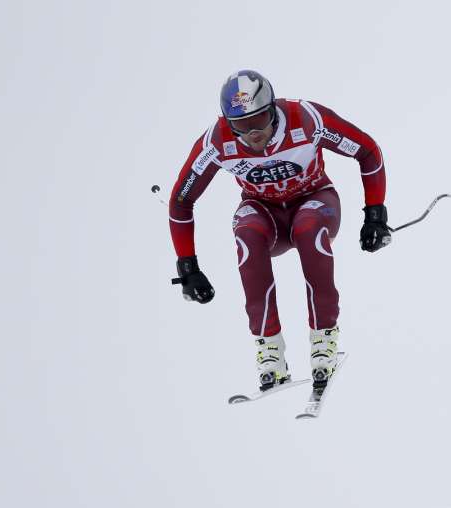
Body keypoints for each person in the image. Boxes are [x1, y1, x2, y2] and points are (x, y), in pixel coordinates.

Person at [166, 69, 392, 392]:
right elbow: (181, 200)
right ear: (228, 124)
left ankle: (323, 339)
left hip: (315, 201)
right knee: (245, 230)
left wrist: (375, 214)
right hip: (266, 215)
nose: (254, 133)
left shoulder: (306, 120)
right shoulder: (218, 142)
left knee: (308, 226)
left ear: (273, 108)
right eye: (242, 126)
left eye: (260, 120)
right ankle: (269, 349)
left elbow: (368, 151)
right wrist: (187, 266)